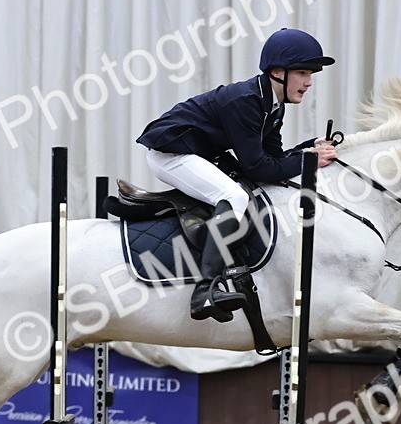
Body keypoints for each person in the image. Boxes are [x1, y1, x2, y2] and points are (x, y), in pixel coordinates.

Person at [137, 28, 339, 321]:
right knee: (233, 196)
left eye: (311, 75)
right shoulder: (245, 101)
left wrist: (309, 149)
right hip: (170, 153)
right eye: (304, 73)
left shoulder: (273, 107)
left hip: (196, 152)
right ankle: (205, 290)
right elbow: (257, 168)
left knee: (239, 191)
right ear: (278, 72)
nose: (309, 83)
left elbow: (273, 160)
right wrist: (308, 161)